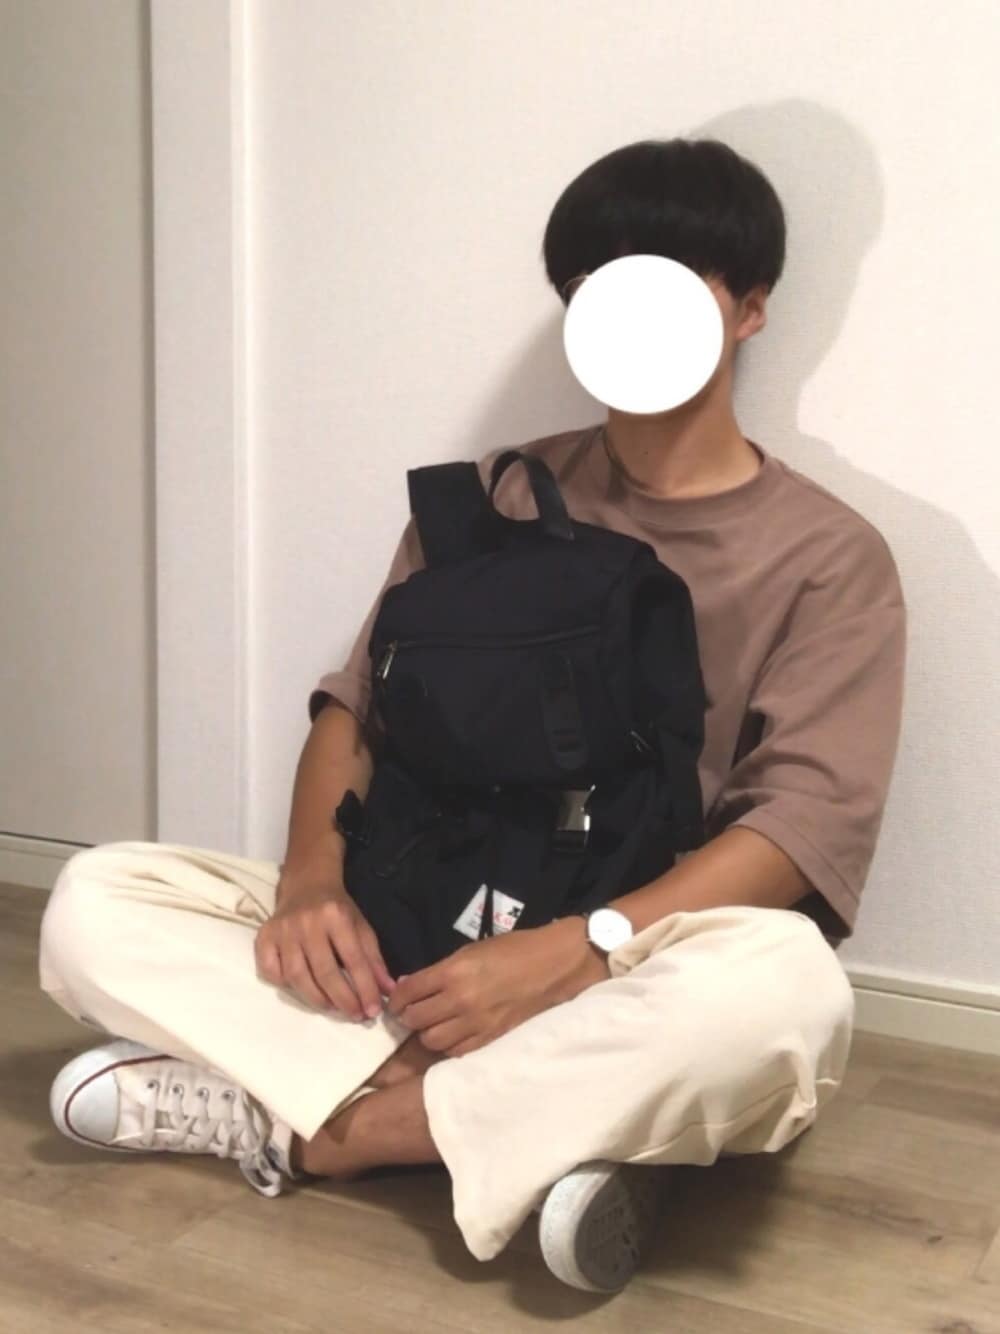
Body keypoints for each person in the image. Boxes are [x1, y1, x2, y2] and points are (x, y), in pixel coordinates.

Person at [38, 137, 906, 1294]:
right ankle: (562, 1124)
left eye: (668, 281)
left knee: (785, 993)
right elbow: (357, 707)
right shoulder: (490, 499)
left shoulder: (829, 556)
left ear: (749, 309)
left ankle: (332, 1127)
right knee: (94, 900)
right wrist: (309, 879)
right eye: (598, 284)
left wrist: (582, 949)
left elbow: (800, 828)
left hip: (629, 946)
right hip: (426, 906)